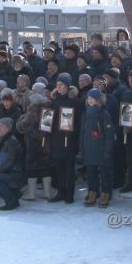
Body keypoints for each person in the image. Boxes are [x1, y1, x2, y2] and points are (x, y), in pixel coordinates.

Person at [49, 73, 83, 204]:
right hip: (56, 137)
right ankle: (61, 191)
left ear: (67, 86)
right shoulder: (54, 101)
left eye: (61, 84)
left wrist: (72, 131)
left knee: (69, 167)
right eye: (57, 84)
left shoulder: (75, 102)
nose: (58, 87)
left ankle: (70, 193)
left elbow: (79, 121)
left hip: (69, 138)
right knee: (58, 167)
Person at [80, 89, 115, 208]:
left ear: (98, 100)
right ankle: (92, 192)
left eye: (92, 98)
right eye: (88, 98)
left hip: (101, 147)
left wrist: (108, 150)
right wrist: (82, 148)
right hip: (89, 147)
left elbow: (109, 134)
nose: (89, 100)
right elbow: (82, 132)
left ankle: (106, 193)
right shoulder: (85, 114)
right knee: (91, 173)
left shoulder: (104, 114)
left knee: (105, 173)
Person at [0, 118, 24, 210]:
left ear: (8, 128)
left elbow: (11, 161)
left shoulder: (11, 142)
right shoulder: (2, 141)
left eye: (1, 126)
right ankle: (14, 193)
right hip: (9, 171)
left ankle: (11, 201)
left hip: (16, 173)